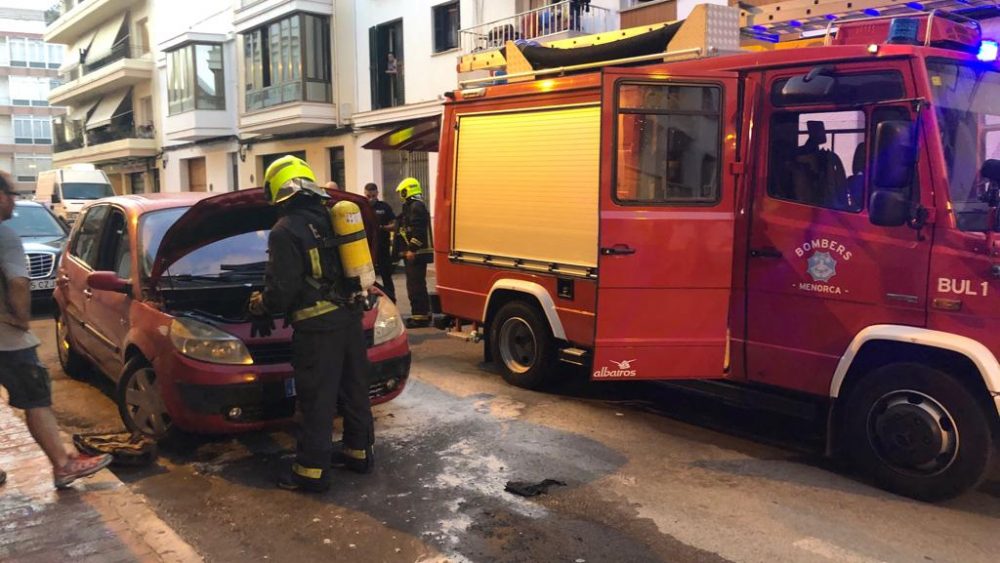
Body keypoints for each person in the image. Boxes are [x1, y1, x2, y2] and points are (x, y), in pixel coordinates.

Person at [248, 156, 374, 493]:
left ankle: (311, 471)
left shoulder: (285, 230)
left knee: (316, 400)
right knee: (354, 391)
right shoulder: (333, 217)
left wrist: (261, 305)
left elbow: (282, 291)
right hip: (350, 319)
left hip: (318, 330)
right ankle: (359, 452)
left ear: (279, 191)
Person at [0, 171, 111, 489]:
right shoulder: (4, 235)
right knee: (36, 399)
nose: (14, 203)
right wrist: (22, 319)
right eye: (11, 195)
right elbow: (18, 281)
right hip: (7, 340)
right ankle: (63, 465)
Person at [395, 177, 433, 329]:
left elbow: (418, 231)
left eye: (401, 192)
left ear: (407, 190)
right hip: (416, 254)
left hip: (417, 254)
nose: (400, 195)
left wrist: (411, 249)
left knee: (415, 286)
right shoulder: (413, 206)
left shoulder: (416, 206)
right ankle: (421, 314)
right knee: (417, 285)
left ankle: (420, 318)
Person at [364, 182, 397, 302]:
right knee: (367, 278)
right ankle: (369, 302)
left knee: (386, 276)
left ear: (377, 193)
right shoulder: (362, 207)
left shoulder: (384, 207)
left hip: (382, 248)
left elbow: (395, 225)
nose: (371, 199)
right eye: (368, 196)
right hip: (366, 249)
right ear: (364, 194)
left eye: (373, 196)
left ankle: (392, 300)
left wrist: (382, 228)